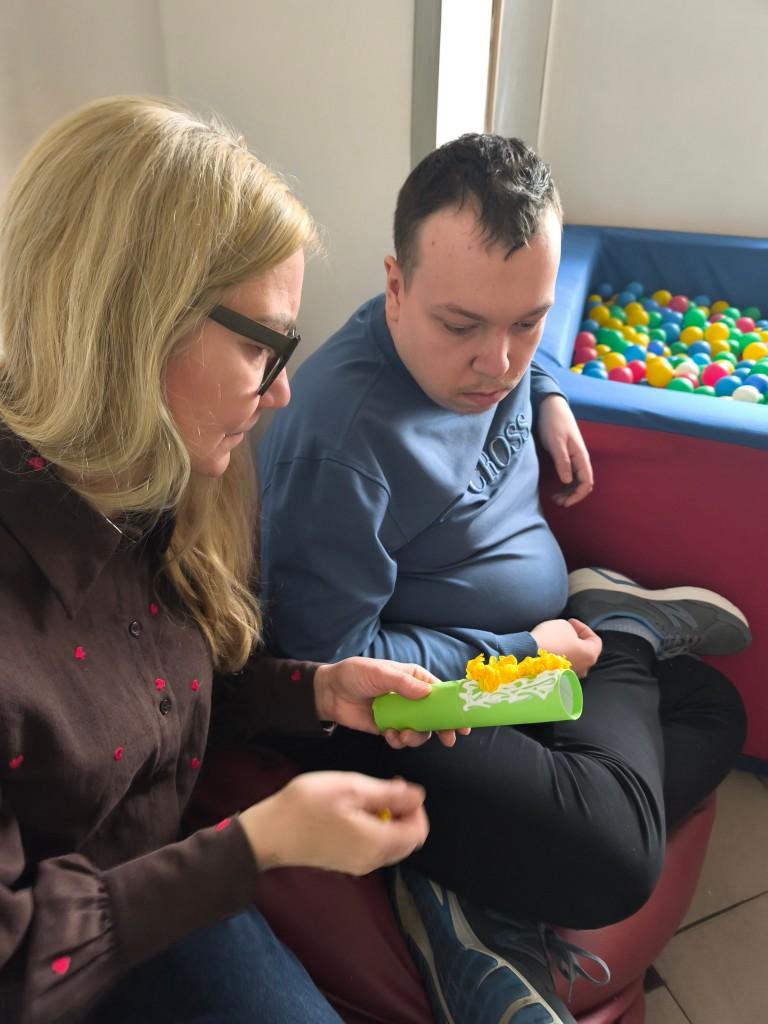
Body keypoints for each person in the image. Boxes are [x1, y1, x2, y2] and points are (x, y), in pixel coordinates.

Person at [0, 95, 483, 1024]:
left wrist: (316, 692)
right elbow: (16, 963)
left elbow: (148, 701)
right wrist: (257, 846)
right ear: (131, 326)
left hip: (159, 892)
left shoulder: (150, 477)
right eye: (263, 345)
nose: (283, 392)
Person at [257, 134, 749, 1023]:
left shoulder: (500, 340)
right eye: (462, 328)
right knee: (616, 859)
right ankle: (618, 637)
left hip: (527, 648)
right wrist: (525, 651)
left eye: (529, 323)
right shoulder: (340, 448)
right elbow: (340, 668)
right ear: (395, 288)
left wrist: (551, 394)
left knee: (718, 710)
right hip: (425, 707)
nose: (500, 363)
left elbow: (517, 342)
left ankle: (484, 869)